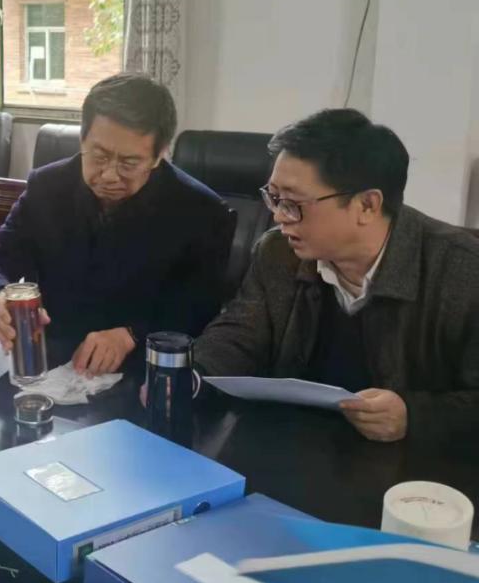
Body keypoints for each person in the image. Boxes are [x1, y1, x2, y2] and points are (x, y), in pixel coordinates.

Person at [193, 109, 479, 443]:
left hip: (411, 462)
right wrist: (196, 372)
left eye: (293, 203)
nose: (279, 217)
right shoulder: (278, 251)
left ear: (367, 205)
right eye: (274, 197)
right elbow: (240, 331)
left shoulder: (463, 272)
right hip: (295, 444)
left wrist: (414, 416)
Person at [0, 75, 234, 374]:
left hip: (141, 372)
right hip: (51, 364)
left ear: (159, 155)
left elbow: (199, 310)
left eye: (129, 163)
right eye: (99, 156)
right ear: (82, 140)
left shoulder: (202, 213)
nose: (109, 175)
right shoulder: (47, 187)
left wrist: (132, 334)